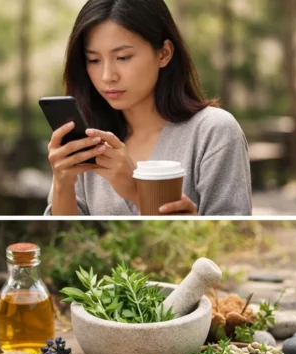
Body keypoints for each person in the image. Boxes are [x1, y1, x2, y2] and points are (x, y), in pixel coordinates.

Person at [46, 0, 252, 216]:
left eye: (123, 57)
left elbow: (231, 235)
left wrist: (136, 191)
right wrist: (63, 183)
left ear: (164, 53)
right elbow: (66, 234)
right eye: (94, 60)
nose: (107, 76)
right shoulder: (88, 141)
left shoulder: (213, 132)